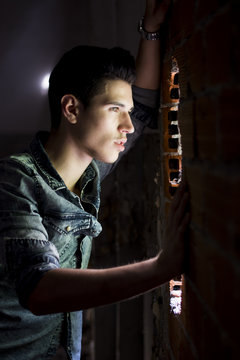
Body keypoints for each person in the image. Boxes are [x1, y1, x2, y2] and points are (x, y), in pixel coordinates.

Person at [0, 0, 189, 359]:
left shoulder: (89, 171)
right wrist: (160, 269)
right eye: (115, 110)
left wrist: (150, 31)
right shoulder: (14, 180)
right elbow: (38, 289)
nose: (128, 127)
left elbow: (145, 106)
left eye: (127, 112)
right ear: (71, 109)